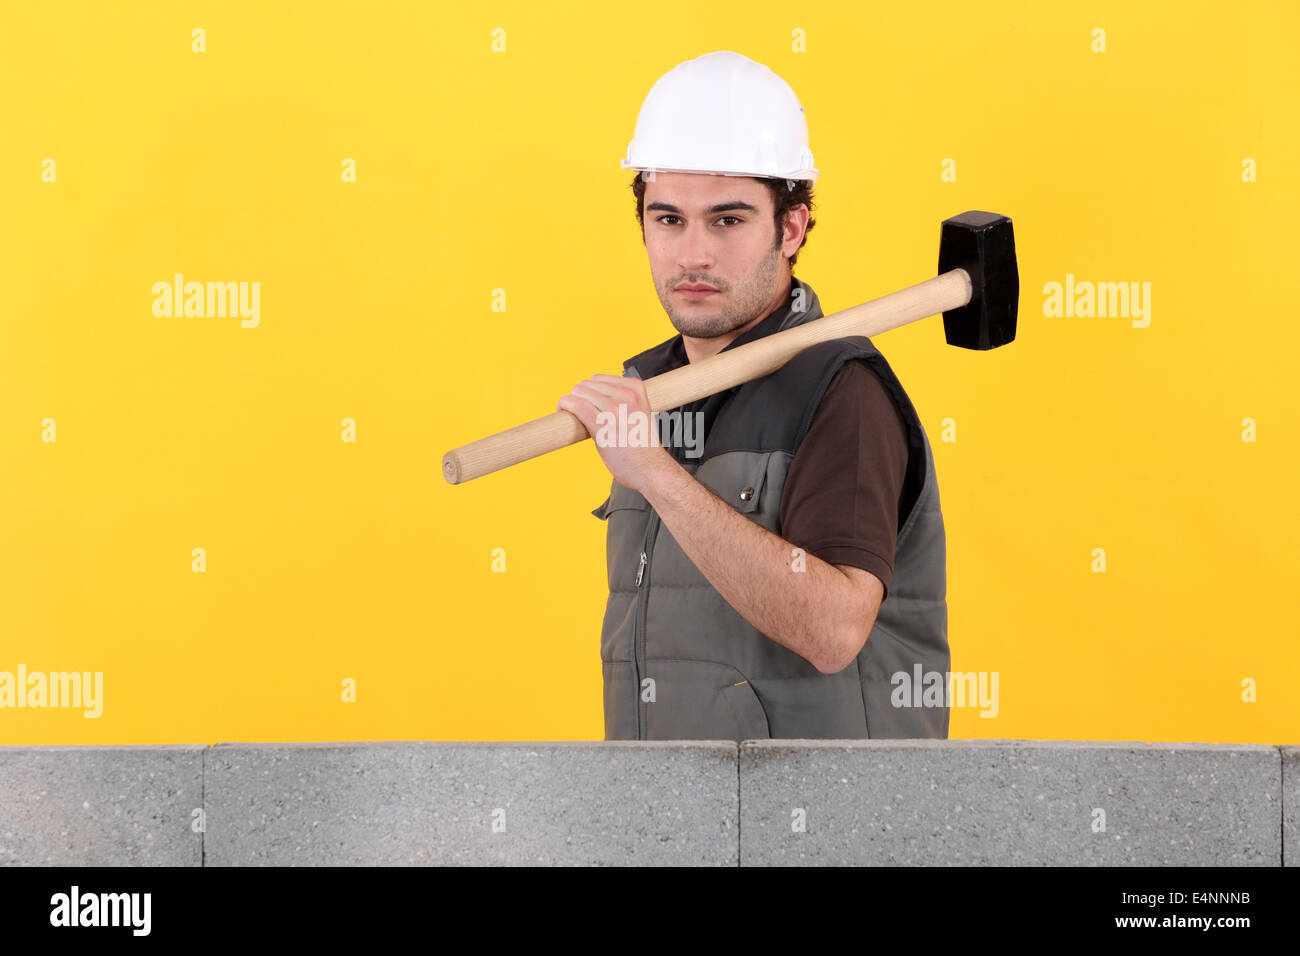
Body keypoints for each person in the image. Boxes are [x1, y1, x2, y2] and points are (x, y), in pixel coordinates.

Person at [557, 51, 949, 741]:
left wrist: (656, 474)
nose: (693, 256)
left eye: (728, 220)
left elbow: (833, 632)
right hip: (664, 828)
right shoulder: (650, 396)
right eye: (669, 219)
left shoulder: (841, 391)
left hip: (824, 835)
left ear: (791, 228)